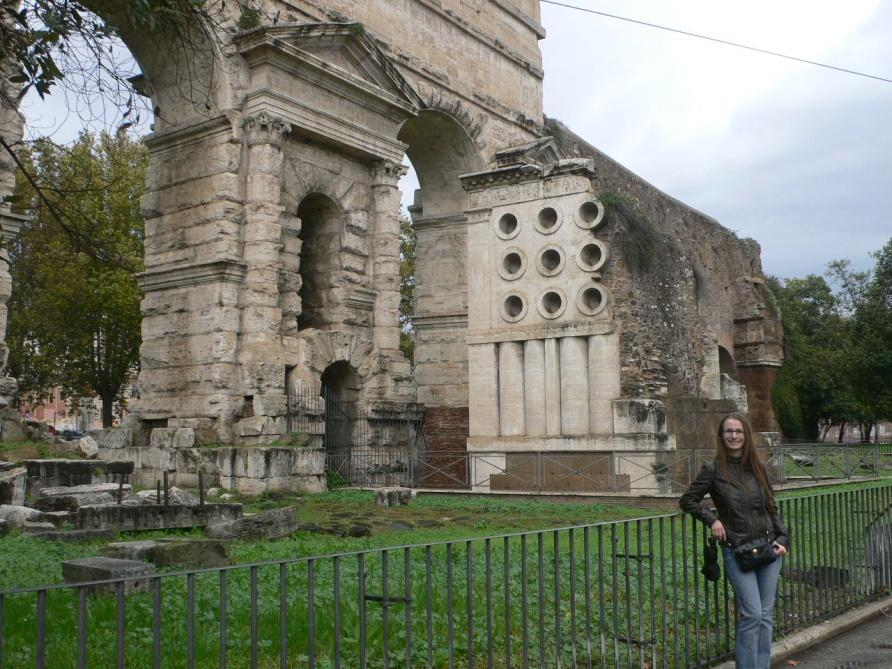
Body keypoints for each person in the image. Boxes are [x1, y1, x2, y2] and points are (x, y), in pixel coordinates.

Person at [679, 413, 789, 669]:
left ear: (746, 436)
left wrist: (783, 539)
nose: (734, 436)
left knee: (765, 616)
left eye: (739, 431)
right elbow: (688, 500)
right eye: (729, 431)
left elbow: (771, 509)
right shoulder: (713, 470)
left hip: (768, 549)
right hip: (737, 550)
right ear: (721, 436)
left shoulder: (758, 468)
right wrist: (712, 520)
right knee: (751, 614)